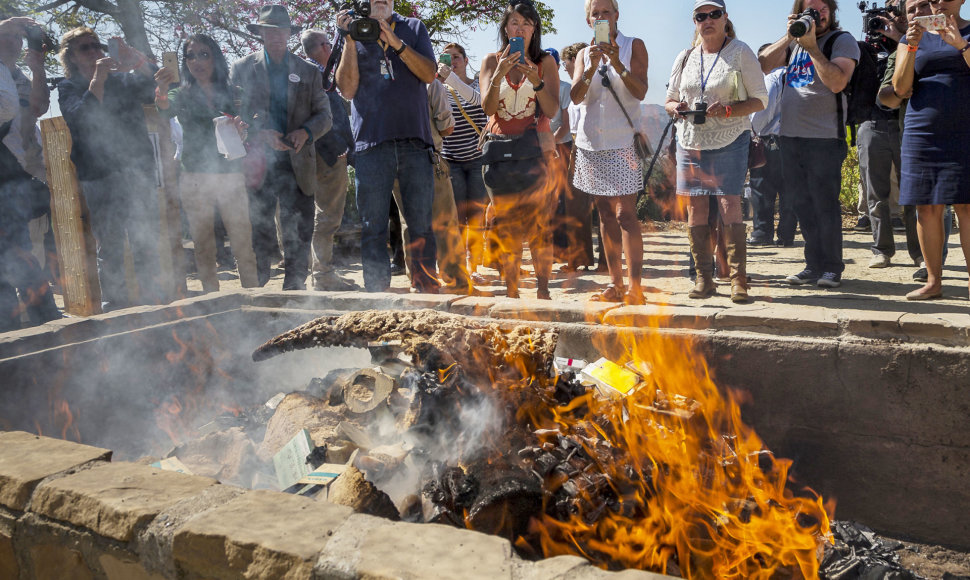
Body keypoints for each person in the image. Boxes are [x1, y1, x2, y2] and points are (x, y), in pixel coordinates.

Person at [335, 0, 440, 294]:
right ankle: (376, 293)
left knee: (420, 221)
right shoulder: (353, 30)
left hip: (415, 140)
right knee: (373, 225)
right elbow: (346, 89)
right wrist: (348, 40)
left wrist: (395, 42)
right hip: (371, 143)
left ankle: (426, 287)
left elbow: (429, 74)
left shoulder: (413, 27)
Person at [666, 0, 767, 303]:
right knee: (696, 210)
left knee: (729, 206)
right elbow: (669, 99)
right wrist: (679, 108)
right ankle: (704, 279)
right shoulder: (684, 57)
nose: (707, 20)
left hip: (730, 136)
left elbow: (760, 100)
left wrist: (727, 110)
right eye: (701, 16)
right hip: (690, 140)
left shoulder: (740, 52)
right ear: (694, 21)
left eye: (714, 14)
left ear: (725, 18)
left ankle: (738, 280)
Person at [58, 27, 165, 309]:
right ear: (71, 56)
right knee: (111, 243)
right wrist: (98, 78)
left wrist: (138, 61)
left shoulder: (122, 80)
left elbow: (155, 89)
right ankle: (115, 304)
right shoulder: (67, 87)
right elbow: (82, 117)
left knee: (145, 238)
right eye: (85, 48)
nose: (94, 51)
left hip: (136, 170)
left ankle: (151, 300)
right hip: (99, 175)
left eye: (97, 46)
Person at [230, 5, 332, 291]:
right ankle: (257, 291)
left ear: (289, 33)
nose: (275, 36)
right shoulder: (241, 68)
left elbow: (326, 116)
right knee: (259, 229)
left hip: (297, 159)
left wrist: (306, 131)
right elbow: (233, 114)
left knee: (298, 229)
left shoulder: (309, 71)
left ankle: (295, 289)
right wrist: (260, 134)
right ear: (261, 33)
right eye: (269, 30)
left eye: (281, 31)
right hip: (258, 161)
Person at [760, 0, 860, 289]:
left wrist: (813, 47)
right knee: (801, 204)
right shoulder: (794, 44)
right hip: (790, 137)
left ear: (833, 11)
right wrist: (791, 35)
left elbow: (838, 81)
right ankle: (813, 265)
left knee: (824, 205)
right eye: (811, 9)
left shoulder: (841, 41)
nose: (819, 14)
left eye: (823, 7)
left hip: (825, 138)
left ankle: (832, 267)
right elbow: (763, 65)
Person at [154, 34, 259, 294]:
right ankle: (211, 299)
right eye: (190, 55)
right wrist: (162, 92)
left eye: (203, 54)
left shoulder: (235, 92)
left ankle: (254, 295)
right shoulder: (180, 93)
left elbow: (251, 125)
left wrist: (243, 128)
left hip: (230, 174)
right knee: (203, 244)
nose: (197, 61)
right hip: (195, 177)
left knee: (242, 242)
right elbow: (165, 112)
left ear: (215, 57)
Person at [479, 0, 560, 300]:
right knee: (507, 225)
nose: (520, 29)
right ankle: (511, 290)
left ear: (534, 29)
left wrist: (537, 80)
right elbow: (487, 108)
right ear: (505, 28)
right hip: (499, 153)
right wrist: (500, 74)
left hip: (533, 152)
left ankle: (543, 289)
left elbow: (551, 110)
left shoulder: (545, 62)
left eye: (526, 23)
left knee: (539, 224)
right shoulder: (491, 61)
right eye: (515, 23)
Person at [571, 0, 650, 304]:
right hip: (593, 143)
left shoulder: (634, 46)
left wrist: (617, 63)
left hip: (622, 142)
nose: (601, 17)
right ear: (589, 21)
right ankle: (614, 283)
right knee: (604, 214)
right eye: (596, 14)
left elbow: (640, 91)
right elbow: (577, 97)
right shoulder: (582, 54)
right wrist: (591, 68)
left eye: (606, 12)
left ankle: (635, 287)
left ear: (617, 16)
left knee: (625, 213)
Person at [892, 0, 970, 300]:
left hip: (965, 129)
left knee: (966, 206)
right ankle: (933, 281)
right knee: (926, 207)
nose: (938, 2)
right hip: (922, 130)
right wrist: (911, 46)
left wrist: (960, 44)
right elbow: (900, 88)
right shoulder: (910, 37)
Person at [878, 0, 951, 285]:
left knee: (960, 206)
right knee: (927, 205)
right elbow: (888, 93)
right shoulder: (905, 46)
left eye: (924, 5)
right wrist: (898, 92)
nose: (919, 13)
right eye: (912, 10)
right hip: (921, 131)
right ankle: (933, 270)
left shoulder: (956, 34)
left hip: (959, 129)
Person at [0, 16, 60, 330]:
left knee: (22, 253)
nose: (11, 41)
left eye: (16, 36)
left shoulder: (20, 77)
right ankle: (10, 328)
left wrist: (37, 67)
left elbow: (37, 106)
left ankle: (45, 323)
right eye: (4, 35)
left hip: (14, 177)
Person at [300, 29, 358, 291]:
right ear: (324, 47)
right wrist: (337, 149)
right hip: (327, 156)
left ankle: (323, 273)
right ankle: (322, 276)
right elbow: (320, 116)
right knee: (327, 217)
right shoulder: (317, 75)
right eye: (329, 45)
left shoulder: (311, 73)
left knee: (323, 217)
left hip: (320, 154)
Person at [437, 43, 490, 284]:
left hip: (478, 159)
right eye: (448, 58)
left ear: (466, 60)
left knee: (476, 216)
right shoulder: (438, 88)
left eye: (457, 57)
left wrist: (453, 81)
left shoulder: (478, 83)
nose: (453, 62)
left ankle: (475, 265)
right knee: (456, 217)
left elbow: (483, 104)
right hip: (451, 160)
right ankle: (458, 266)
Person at [748, 46, 796, 247]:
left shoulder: (772, 78)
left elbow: (760, 113)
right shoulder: (797, 75)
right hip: (794, 141)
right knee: (790, 191)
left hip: (770, 141)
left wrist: (752, 133)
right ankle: (786, 235)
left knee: (762, 189)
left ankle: (762, 233)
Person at [559, 41, 597, 272]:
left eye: (566, 62)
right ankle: (581, 258)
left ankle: (586, 259)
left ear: (575, 60)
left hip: (586, 145)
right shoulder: (574, 87)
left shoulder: (589, 84)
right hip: (577, 145)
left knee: (580, 205)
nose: (564, 67)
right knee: (576, 206)